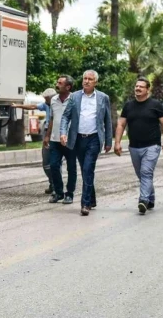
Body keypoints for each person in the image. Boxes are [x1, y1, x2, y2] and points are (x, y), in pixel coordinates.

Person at [114, 77, 163, 215]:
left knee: (146, 172)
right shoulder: (128, 106)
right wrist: (117, 142)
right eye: (136, 86)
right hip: (134, 146)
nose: (137, 88)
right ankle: (150, 197)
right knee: (142, 174)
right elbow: (121, 124)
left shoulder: (155, 104)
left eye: (141, 87)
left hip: (152, 145)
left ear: (147, 89)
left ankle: (143, 200)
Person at [59, 70, 113, 216]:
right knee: (85, 170)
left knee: (88, 169)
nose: (86, 81)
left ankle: (85, 204)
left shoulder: (103, 98)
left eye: (90, 79)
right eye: (85, 78)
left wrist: (109, 141)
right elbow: (65, 117)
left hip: (94, 139)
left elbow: (107, 120)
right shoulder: (74, 97)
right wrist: (63, 133)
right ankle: (92, 198)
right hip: (78, 139)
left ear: (95, 82)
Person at [13, 88, 57, 194]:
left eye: (46, 99)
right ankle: (52, 183)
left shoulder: (59, 105)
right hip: (47, 133)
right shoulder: (46, 105)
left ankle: (57, 186)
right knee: (46, 163)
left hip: (57, 134)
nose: (45, 101)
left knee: (56, 162)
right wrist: (18, 106)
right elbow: (33, 106)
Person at [45, 75, 77, 204]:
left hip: (70, 140)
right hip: (55, 140)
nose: (57, 85)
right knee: (53, 165)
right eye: (57, 82)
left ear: (68, 87)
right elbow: (52, 118)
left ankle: (69, 193)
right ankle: (58, 192)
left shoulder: (75, 99)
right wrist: (47, 135)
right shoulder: (53, 100)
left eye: (60, 83)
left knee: (71, 167)